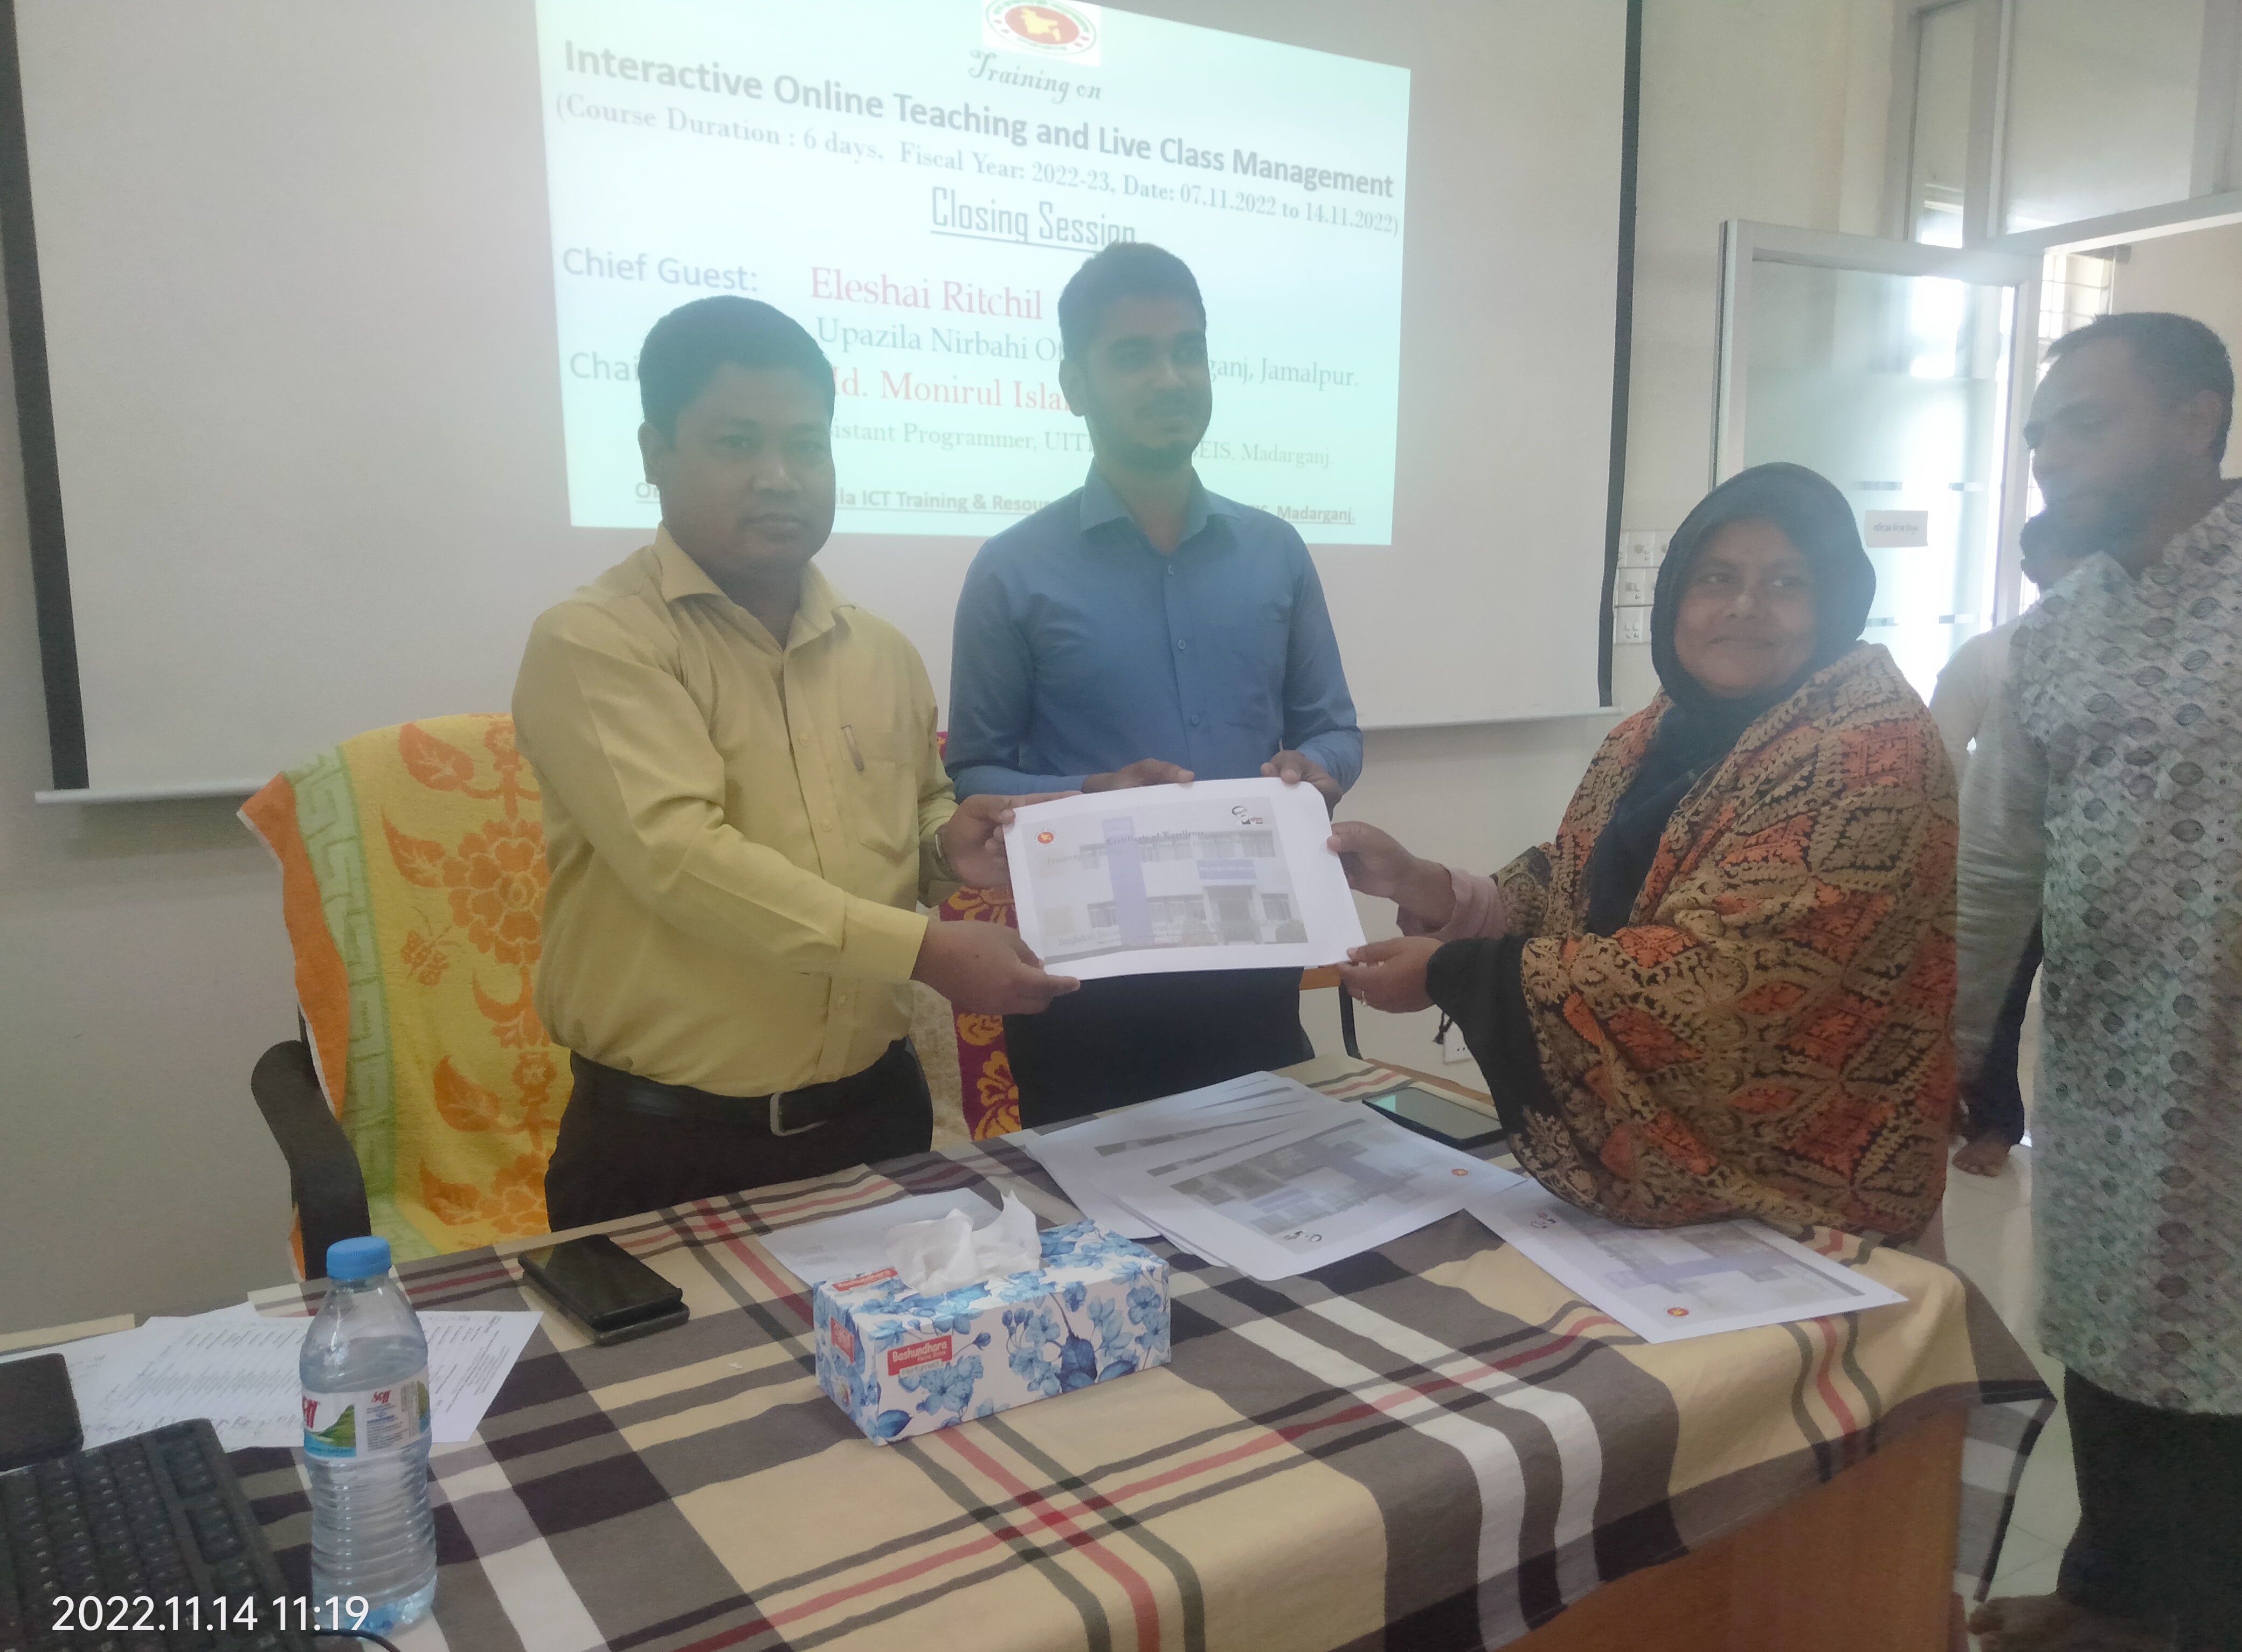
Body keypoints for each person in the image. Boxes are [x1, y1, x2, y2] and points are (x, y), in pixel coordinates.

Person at [514, 296, 1076, 1228]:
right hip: (667, 1147)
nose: (779, 477)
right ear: (655, 452)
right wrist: (924, 951)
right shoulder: (596, 643)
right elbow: (681, 860)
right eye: (737, 443)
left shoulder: (882, 651)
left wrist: (949, 846)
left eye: (807, 445)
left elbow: (917, 812)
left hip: (877, 1119)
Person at [1334, 462, 1952, 1242]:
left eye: (1786, 583)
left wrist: (1452, 973)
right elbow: (1580, 880)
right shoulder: (1660, 730)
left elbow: (1721, 979)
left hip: (1807, 1202)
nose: (1744, 607)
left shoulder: (1871, 754)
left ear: (1835, 600)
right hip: (1664, 1194)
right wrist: (1428, 886)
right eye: (1716, 577)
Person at [1957, 313, 2242, 1652]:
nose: (2048, 455)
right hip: (2113, 1069)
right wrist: (1953, 1056)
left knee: (2228, 1373)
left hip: (2233, 1079)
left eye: (2083, 421)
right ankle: (2112, 1589)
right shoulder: (2054, 633)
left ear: (2195, 420)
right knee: (2110, 1332)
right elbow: (1996, 866)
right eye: (2038, 434)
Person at [945, 242, 1362, 1125]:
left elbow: (1333, 730)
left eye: (1188, 350)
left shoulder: (1276, 552)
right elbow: (977, 771)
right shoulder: (1012, 570)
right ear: (1075, 384)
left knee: (1279, 1191)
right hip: (1086, 993)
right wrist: (1089, 795)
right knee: (1093, 1206)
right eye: (1134, 355)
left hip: (1255, 967)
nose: (1171, 378)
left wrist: (1313, 770)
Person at [1934, 509, 2096, 1177]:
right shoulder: (1994, 655)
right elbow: (1942, 754)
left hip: (2096, 876)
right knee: (1990, 1000)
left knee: (2088, 1009)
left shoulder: (2134, 656)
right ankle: (1990, 1120)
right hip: (2002, 862)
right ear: (2031, 570)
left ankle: (2081, 1135)